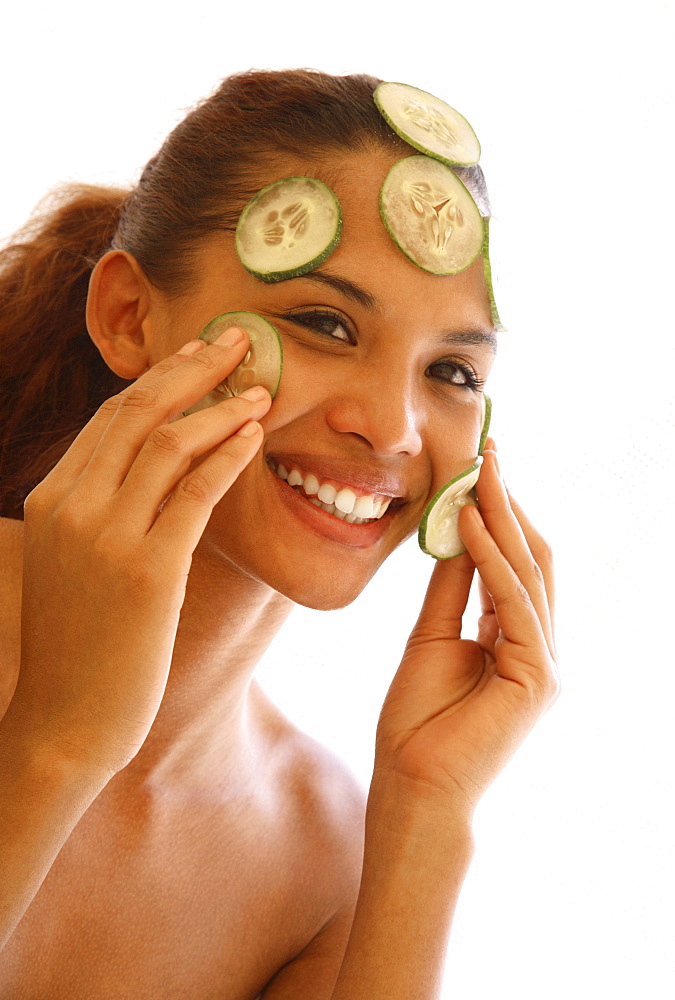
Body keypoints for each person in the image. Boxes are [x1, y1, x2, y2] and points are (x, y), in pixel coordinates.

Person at [0, 69, 558, 998]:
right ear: (129, 317)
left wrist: (427, 812)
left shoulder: (322, 853)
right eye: (323, 321)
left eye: (453, 372)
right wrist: (57, 742)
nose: (392, 429)